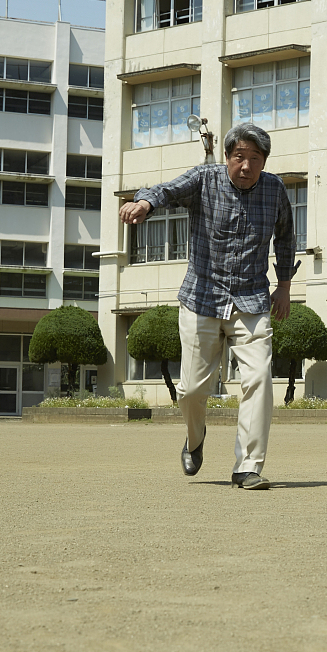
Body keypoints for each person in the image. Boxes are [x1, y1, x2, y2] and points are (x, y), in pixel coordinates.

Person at [119, 121, 296, 490]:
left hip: (251, 299)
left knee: (260, 378)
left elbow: (285, 235)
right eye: (238, 157)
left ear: (264, 161)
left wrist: (284, 285)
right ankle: (194, 439)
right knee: (192, 390)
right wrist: (145, 201)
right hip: (201, 298)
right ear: (228, 157)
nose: (246, 166)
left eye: (255, 159)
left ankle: (247, 466)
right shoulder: (205, 179)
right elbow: (167, 190)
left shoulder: (275, 189)